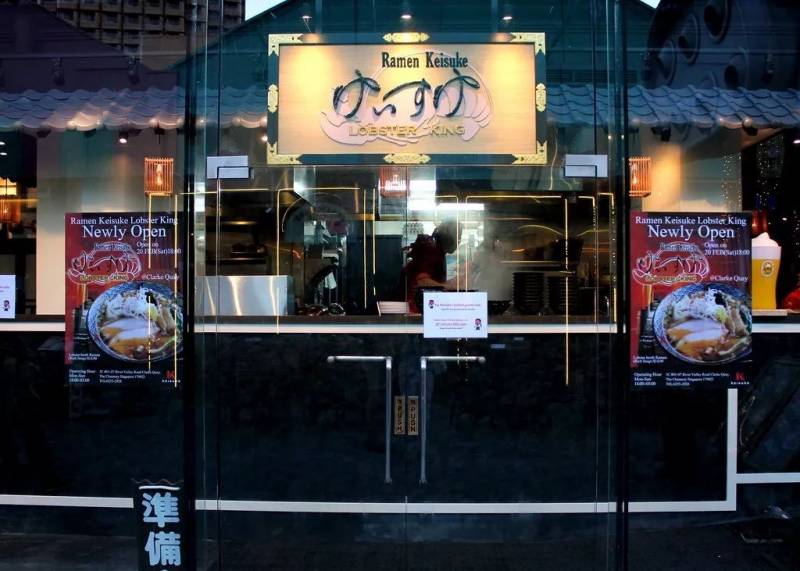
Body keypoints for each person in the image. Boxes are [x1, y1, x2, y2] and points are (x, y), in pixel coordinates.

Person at [403, 220, 459, 313]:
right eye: (458, 236)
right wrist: (447, 286)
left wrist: (455, 282)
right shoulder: (432, 251)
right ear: (448, 236)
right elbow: (422, 280)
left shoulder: (439, 252)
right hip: (415, 308)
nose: (459, 241)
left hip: (424, 306)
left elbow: (434, 281)